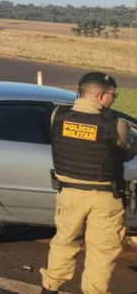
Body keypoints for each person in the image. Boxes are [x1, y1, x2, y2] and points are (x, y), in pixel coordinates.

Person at [40, 72, 135, 294]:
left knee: (63, 243)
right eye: (114, 94)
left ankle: (50, 287)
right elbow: (126, 152)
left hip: (69, 195)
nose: (114, 99)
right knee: (102, 251)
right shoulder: (116, 125)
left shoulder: (58, 116)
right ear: (101, 96)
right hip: (105, 198)